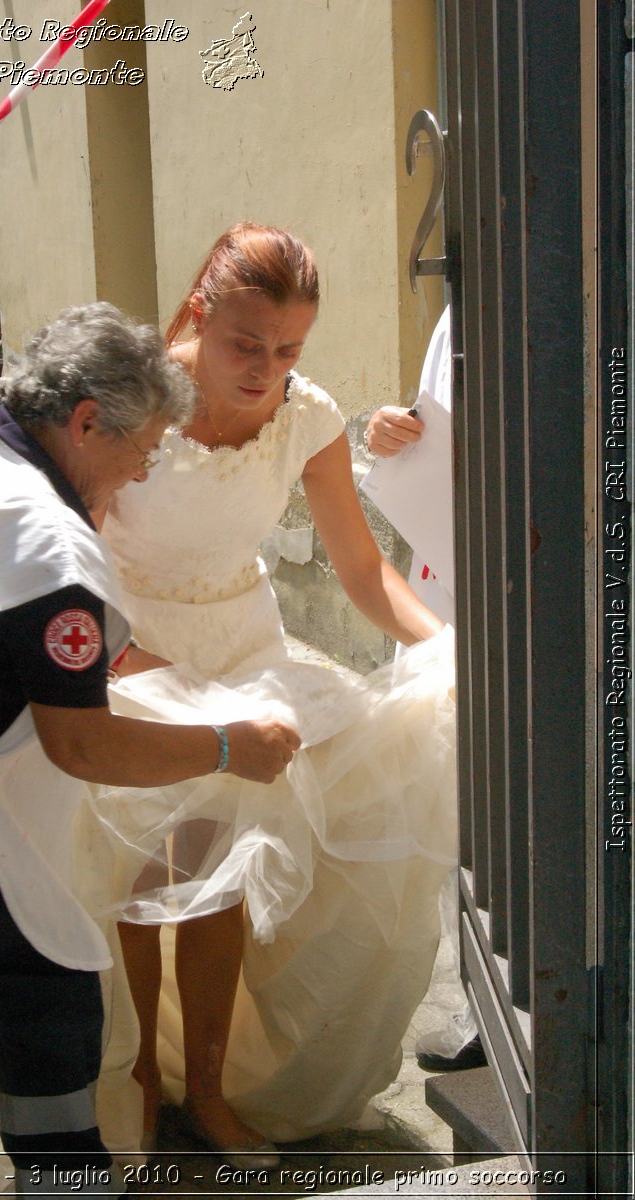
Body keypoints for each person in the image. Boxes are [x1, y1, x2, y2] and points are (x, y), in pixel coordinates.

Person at [0, 302, 300, 1197]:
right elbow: (83, 744)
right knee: (48, 1006)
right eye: (143, 448)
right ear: (86, 422)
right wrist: (225, 746)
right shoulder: (54, 552)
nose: (140, 473)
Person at [80, 225, 458, 1163]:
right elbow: (72, 553)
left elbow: (365, 573)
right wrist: (120, 667)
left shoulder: (306, 412)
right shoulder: (131, 397)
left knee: (217, 875)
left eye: (288, 349)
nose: (266, 369)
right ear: (199, 316)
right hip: (124, 655)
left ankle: (207, 1090)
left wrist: (448, 648)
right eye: (246, 344)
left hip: (243, 649)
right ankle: (130, 1076)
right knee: (129, 876)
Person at [364, 303, 485, 1072]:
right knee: (463, 791)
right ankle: (489, 1005)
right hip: (454, 575)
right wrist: (392, 431)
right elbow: (430, 415)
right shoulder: (464, 303)